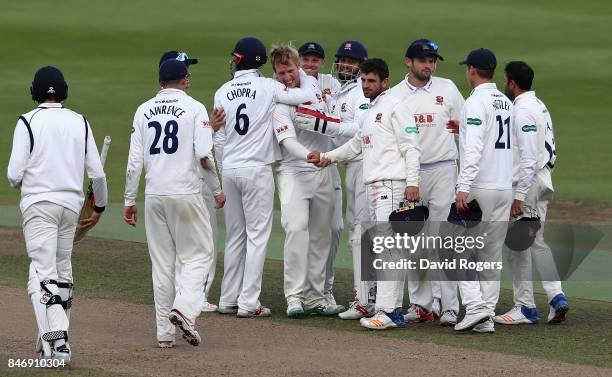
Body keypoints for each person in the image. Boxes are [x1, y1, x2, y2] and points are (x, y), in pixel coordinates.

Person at [8, 66, 108, 363]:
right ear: (63, 91)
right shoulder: (81, 121)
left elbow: (14, 175)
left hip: (39, 206)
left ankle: (58, 341)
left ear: (34, 92)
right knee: (61, 274)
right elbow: (98, 176)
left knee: (44, 275)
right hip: (71, 207)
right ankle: (47, 336)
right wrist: (99, 208)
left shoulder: (27, 121)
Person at [311, 58, 420, 330]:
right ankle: (390, 310)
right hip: (375, 186)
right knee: (389, 250)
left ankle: (387, 310)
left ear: (385, 82)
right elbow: (355, 146)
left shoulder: (396, 106)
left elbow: (412, 147)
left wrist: (413, 184)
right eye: (363, 81)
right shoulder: (371, 111)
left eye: (372, 81)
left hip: (392, 185)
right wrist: (326, 157)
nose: (366, 85)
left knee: (389, 250)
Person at [212, 37, 316, 318]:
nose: (233, 61)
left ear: (244, 60)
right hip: (257, 170)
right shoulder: (269, 86)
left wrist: (223, 173)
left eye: (237, 58)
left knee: (235, 236)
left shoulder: (222, 90)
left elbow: (219, 139)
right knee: (257, 238)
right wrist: (303, 73)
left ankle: (227, 298)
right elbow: (305, 96)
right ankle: (248, 303)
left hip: (231, 170)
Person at [124, 59, 215, 347]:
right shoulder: (195, 107)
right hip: (186, 194)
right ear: (185, 79)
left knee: (162, 265)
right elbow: (203, 154)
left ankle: (165, 334)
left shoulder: (142, 110)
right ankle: (185, 311)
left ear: (160, 81)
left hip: (154, 196)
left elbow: (134, 162)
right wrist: (217, 189)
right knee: (199, 256)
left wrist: (129, 199)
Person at [389, 39, 464, 326]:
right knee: (415, 242)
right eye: (423, 60)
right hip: (412, 174)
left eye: (433, 60)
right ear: (408, 61)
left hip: (444, 169)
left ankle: (448, 306)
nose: (429, 65)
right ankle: (421, 304)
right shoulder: (395, 95)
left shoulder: (447, 88)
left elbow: (466, 128)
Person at [298, 40, 373, 319]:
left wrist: (324, 125)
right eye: (342, 60)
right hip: (348, 165)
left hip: (365, 165)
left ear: (362, 66)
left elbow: (359, 129)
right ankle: (365, 297)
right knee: (356, 229)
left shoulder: (361, 92)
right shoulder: (340, 89)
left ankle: (366, 299)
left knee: (361, 231)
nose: (345, 65)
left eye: (352, 62)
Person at [270, 44, 344, 317]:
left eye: (290, 70)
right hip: (293, 170)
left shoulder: (314, 87)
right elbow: (287, 141)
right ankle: (294, 297)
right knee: (296, 229)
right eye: (281, 73)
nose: (286, 77)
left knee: (322, 234)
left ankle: (315, 297)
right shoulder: (278, 102)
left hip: (322, 168)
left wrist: (326, 154)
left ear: (298, 66)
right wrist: (310, 155)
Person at [494, 61, 569, 325]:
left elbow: (527, 158)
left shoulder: (523, 110)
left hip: (528, 183)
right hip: (542, 178)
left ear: (512, 83)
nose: (504, 84)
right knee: (537, 241)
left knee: (517, 246)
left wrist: (519, 196)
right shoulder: (539, 105)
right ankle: (555, 295)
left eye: (505, 81)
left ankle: (524, 307)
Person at [158, 50, 225, 313]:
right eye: (184, 69)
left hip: (162, 187)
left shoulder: (149, 108)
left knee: (172, 247)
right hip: (193, 186)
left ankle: (176, 297)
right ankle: (196, 298)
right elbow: (201, 151)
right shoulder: (193, 107)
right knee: (203, 244)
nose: (188, 74)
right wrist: (211, 128)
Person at [453, 48, 514, 333]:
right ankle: (486, 316)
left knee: (457, 250)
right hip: (504, 188)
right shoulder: (506, 102)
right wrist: (462, 128)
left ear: (473, 71)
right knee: (491, 255)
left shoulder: (475, 101)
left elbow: (475, 148)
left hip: (480, 188)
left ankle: (475, 306)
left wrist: (463, 187)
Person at [297, 41, 344, 309]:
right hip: (299, 169)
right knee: (303, 232)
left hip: (329, 165)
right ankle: (303, 292)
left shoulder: (332, 83)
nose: (310, 63)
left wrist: (326, 103)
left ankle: (325, 290)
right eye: (306, 58)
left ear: (322, 63)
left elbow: (337, 117)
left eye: (315, 59)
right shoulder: (292, 82)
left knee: (334, 228)